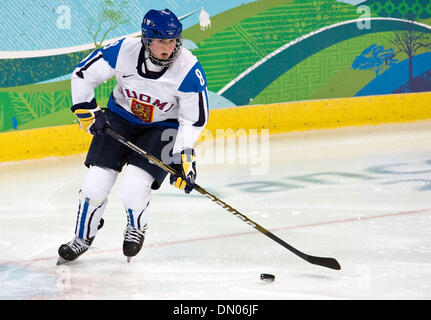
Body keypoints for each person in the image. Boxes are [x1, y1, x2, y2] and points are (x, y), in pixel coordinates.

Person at [57, 8, 209, 264]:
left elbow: (193, 119)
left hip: (163, 128)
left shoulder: (187, 68)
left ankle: (136, 227)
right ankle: (82, 238)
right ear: (146, 39)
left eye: (172, 41)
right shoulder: (123, 50)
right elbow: (83, 74)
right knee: (95, 183)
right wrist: (87, 109)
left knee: (134, 186)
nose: (167, 48)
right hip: (119, 119)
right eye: (161, 41)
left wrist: (184, 154)